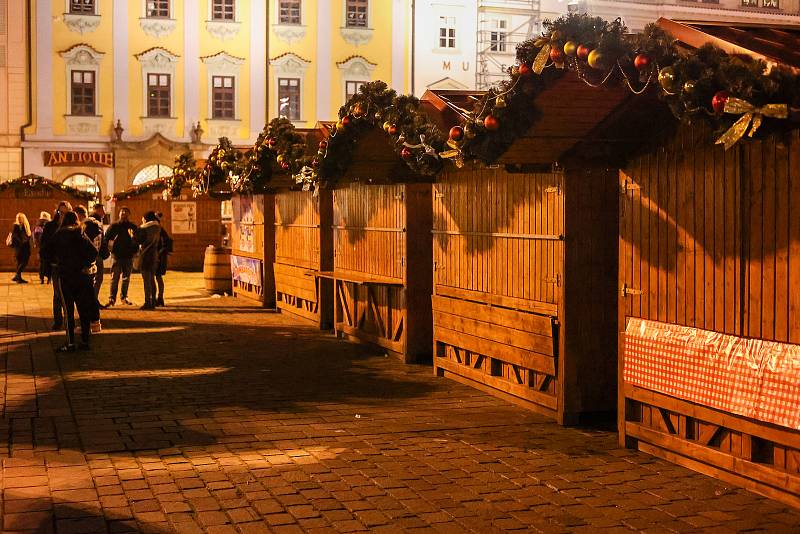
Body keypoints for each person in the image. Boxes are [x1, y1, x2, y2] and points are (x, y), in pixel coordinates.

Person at [51, 211, 97, 352]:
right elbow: (94, 252)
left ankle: (70, 343)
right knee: (83, 309)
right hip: (81, 276)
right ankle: (85, 341)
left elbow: (46, 251)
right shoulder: (80, 233)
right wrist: (85, 264)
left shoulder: (59, 235)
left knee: (68, 310)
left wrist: (57, 262)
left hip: (65, 276)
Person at [40, 201, 73, 330]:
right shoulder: (50, 226)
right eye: (60, 212)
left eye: (65, 213)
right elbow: (45, 245)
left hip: (70, 265)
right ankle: (58, 320)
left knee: (69, 293)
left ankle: (69, 320)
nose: (62, 215)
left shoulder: (73, 226)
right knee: (58, 293)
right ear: (57, 212)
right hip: (56, 265)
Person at [75, 205, 103, 333]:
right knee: (91, 297)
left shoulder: (85, 227)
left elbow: (84, 248)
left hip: (85, 267)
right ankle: (95, 323)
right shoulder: (97, 225)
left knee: (85, 298)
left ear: (79, 215)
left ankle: (87, 325)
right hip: (93, 265)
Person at [104, 207, 138, 307]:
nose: (123, 213)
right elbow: (107, 238)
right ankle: (112, 298)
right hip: (117, 256)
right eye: (122, 212)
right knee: (114, 278)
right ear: (119, 214)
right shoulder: (114, 226)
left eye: (126, 212)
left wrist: (134, 251)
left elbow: (137, 240)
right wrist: (111, 249)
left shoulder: (132, 227)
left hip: (128, 256)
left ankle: (124, 297)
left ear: (129, 214)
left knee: (126, 278)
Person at [136, 211, 162, 310]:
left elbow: (137, 241)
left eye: (143, 218)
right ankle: (153, 301)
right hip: (154, 256)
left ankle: (148, 302)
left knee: (146, 280)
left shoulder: (143, 229)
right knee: (152, 279)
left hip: (145, 255)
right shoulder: (158, 228)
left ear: (146, 219)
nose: (142, 220)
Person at [90, 204, 107, 301]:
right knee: (98, 278)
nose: (104, 213)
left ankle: (93, 299)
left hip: (95, 254)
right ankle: (93, 300)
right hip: (96, 254)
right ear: (96, 210)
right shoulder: (95, 221)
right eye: (102, 210)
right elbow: (98, 240)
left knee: (96, 278)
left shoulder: (96, 220)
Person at [155, 212, 173, 307]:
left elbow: (165, 244)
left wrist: (158, 254)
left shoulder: (160, 230)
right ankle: (159, 297)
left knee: (156, 278)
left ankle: (159, 298)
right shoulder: (161, 230)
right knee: (158, 278)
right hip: (159, 257)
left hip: (158, 257)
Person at [10, 213, 32, 283]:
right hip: (20, 247)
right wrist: (21, 242)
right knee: (22, 262)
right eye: (18, 218)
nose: (19, 219)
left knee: (21, 262)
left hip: (24, 247)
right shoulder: (16, 226)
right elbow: (15, 236)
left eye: (20, 218)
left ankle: (18, 277)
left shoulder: (24, 226)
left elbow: (27, 235)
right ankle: (18, 276)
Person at [33, 211, 51, 284]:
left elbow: (35, 237)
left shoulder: (38, 226)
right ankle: (49, 279)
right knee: (49, 263)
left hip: (41, 248)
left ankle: (42, 278)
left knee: (42, 263)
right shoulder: (49, 225)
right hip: (49, 248)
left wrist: (36, 245)